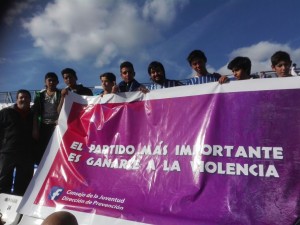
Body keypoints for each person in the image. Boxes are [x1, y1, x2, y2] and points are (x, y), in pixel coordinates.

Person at [0, 89, 34, 196]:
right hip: (8, 153)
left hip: (26, 155)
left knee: (23, 185)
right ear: (17, 99)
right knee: (3, 181)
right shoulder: (6, 112)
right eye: (21, 97)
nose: (24, 99)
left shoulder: (34, 116)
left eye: (26, 97)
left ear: (30, 100)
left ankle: (18, 211)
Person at [33, 72, 61, 165]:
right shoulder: (39, 95)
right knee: (42, 149)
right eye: (49, 80)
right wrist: (35, 129)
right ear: (45, 82)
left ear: (57, 82)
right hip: (43, 125)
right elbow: (36, 113)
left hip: (56, 126)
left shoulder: (61, 94)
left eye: (54, 80)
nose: (51, 82)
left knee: (56, 148)